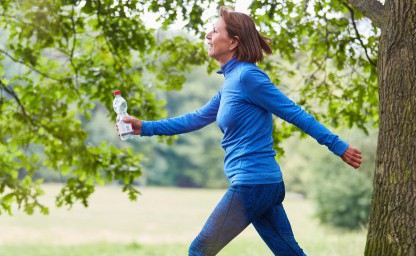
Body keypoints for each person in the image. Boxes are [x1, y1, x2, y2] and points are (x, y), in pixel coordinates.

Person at [119, 6, 363, 256]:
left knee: (200, 250)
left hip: (253, 183)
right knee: (289, 252)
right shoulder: (231, 83)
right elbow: (195, 119)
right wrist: (145, 127)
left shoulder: (249, 78)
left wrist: (338, 146)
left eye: (214, 31)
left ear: (233, 42)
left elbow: (294, 113)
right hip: (262, 184)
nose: (207, 35)